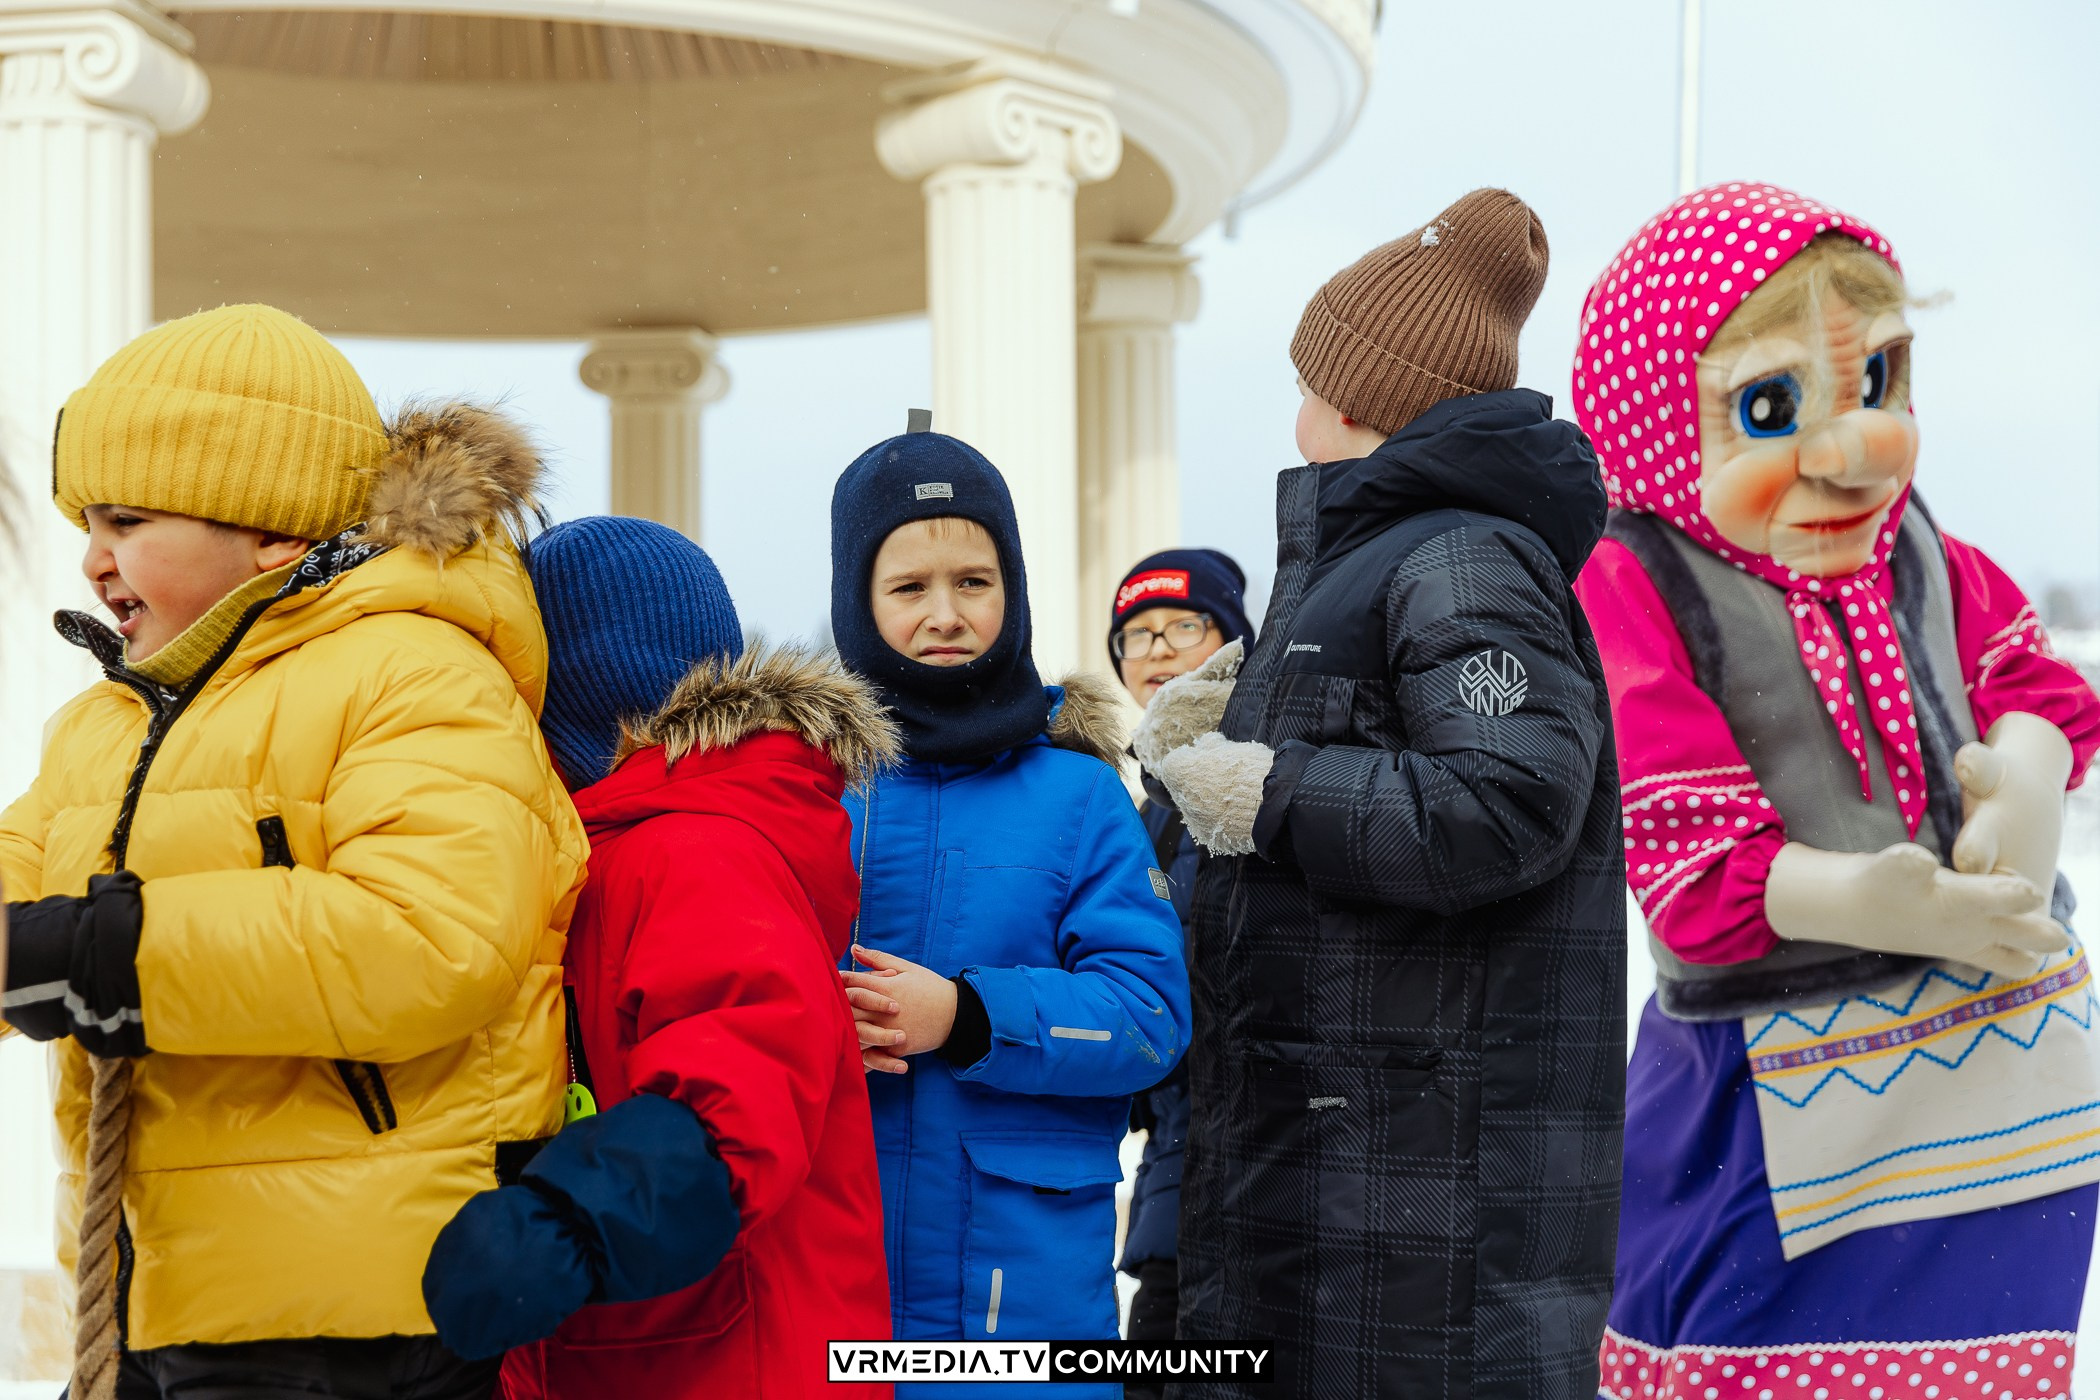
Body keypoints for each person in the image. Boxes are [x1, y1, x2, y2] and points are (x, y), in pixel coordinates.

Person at [0, 304, 588, 1400]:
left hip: (363, 1310)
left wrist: (96, 954)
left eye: (126, 518)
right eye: (86, 521)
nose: (91, 559)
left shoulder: (412, 673)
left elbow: (427, 939)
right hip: (159, 1292)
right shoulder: (111, 726)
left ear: (269, 527)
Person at [1574, 183, 2100, 1395]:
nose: (1854, 443)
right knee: (1732, 1342)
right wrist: (1861, 898)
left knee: (1977, 1357)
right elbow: (1678, 836)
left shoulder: (1921, 545)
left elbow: (2029, 680)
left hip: (2007, 1059)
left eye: (1879, 385)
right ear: (1660, 415)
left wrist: (2025, 763)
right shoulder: (1638, 583)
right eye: (1771, 404)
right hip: (1771, 1078)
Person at [1135, 189, 1627, 1399]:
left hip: (1418, 1212)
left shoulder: (1457, 552)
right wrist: (1238, 710)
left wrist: (1271, 786)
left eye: (1310, 375)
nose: (1293, 402)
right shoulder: (1390, 553)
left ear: (1361, 400)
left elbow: (1510, 799)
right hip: (1351, 1175)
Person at [419, 515, 896, 1397]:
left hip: (724, 1359)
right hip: (649, 1345)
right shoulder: (621, 845)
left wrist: (560, 1222)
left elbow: (736, 1086)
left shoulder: (687, 849)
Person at [828, 429, 1191, 1400]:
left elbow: (1151, 1017)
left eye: (975, 580)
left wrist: (971, 1014)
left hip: (1022, 1303)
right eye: (909, 587)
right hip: (836, 1280)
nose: (945, 613)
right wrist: (819, 1017)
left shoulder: (1080, 797)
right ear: (855, 598)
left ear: (1013, 586)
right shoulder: (817, 790)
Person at [1101, 548, 1253, 1389]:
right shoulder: (1144, 815)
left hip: (1278, 1186)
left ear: (1231, 637)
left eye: (1181, 627)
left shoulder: (1280, 766)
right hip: (1177, 1186)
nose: (1156, 651)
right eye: (1136, 635)